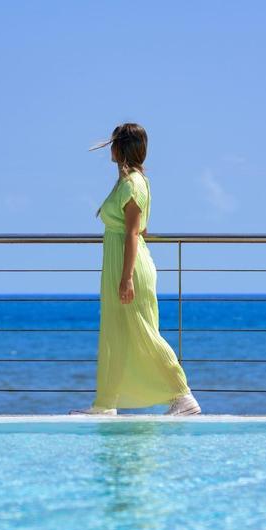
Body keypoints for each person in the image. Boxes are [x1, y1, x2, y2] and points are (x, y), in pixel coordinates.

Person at [70, 123, 201, 416]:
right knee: (115, 333)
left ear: (121, 148)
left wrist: (127, 277)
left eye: (113, 143)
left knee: (144, 332)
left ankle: (182, 396)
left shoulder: (133, 184)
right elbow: (141, 228)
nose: (109, 149)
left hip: (129, 268)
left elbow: (132, 233)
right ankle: (106, 404)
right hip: (120, 264)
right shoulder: (130, 181)